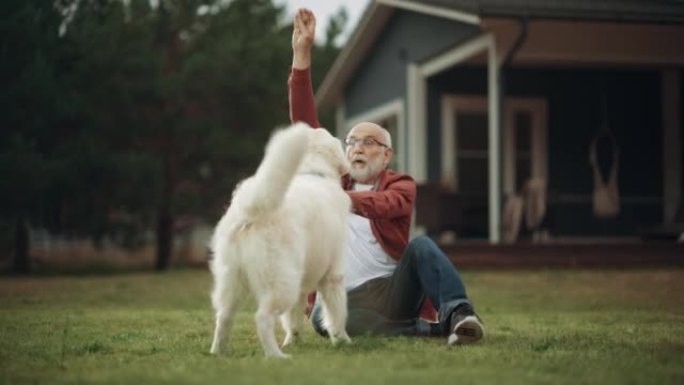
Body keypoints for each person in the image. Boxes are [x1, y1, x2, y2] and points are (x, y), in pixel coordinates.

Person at [289, 8, 484, 345]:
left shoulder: (400, 184)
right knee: (325, 319)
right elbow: (307, 127)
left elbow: (385, 205)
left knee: (422, 245)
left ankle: (460, 315)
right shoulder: (336, 179)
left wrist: (340, 199)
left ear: (387, 154)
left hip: (392, 290)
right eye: (351, 142)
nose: (357, 148)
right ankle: (433, 331)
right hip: (342, 296)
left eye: (369, 142)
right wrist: (302, 54)